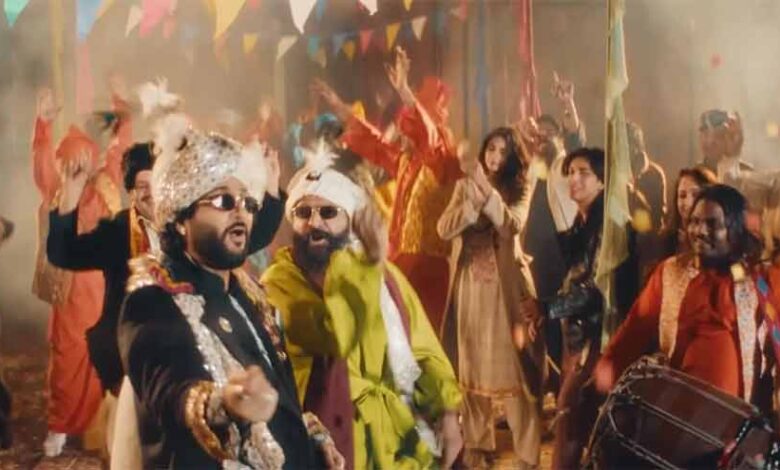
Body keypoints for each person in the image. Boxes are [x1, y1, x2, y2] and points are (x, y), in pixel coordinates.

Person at [118, 122, 343, 469]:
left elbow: (279, 395)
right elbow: (170, 389)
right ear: (180, 216)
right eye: (224, 200)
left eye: (248, 203)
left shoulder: (246, 292)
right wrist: (223, 403)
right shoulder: (153, 300)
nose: (241, 213)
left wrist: (311, 438)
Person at [261, 149, 463, 469]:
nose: (314, 222)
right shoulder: (279, 283)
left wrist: (449, 416)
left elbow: (424, 351)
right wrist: (355, 266)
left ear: (351, 220)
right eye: (303, 212)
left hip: (392, 442)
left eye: (329, 212)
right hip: (323, 445)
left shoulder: (383, 277)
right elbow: (334, 337)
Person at [47, 139, 285, 397]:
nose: (150, 193)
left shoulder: (195, 228)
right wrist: (71, 191)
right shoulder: (119, 230)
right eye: (142, 187)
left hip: (195, 347)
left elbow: (252, 236)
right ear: (131, 193)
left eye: (156, 184)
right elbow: (65, 253)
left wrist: (271, 185)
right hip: (129, 357)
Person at [311, 46, 462, 331]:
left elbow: (430, 136)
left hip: (428, 268)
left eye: (411, 125)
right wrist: (339, 106)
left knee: (422, 339)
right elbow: (374, 141)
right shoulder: (407, 161)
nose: (405, 132)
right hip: (400, 262)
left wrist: (404, 90)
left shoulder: (441, 158)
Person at [595, 185, 779, 417]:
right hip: (676, 412)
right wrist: (611, 364)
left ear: (734, 229)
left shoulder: (760, 279)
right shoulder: (671, 271)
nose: (699, 231)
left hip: (734, 420)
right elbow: (636, 327)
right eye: (694, 221)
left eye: (712, 224)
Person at [437, 127, 544, 469]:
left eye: (502, 151)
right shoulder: (463, 187)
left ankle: (527, 455)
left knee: (515, 373)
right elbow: (443, 228)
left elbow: (511, 226)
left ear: (512, 158)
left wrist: (487, 193)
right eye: (491, 149)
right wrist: (470, 205)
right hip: (470, 287)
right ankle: (479, 446)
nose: (494, 157)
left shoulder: (521, 187)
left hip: (505, 290)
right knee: (471, 369)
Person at [31, 87, 128, 457]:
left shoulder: (107, 183)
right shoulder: (61, 186)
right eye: (70, 160)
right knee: (68, 357)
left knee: (104, 354)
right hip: (71, 291)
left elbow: (122, 153)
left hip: (103, 287)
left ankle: (99, 425)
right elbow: (43, 168)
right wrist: (43, 126)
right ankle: (61, 424)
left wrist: (122, 112)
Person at [549, 147, 637, 469]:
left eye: (583, 172)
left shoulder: (608, 226)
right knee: (573, 420)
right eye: (571, 172)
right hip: (577, 336)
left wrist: (548, 308)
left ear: (602, 181)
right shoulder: (583, 220)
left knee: (571, 418)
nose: (574, 179)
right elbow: (574, 272)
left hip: (598, 336)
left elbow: (596, 291)